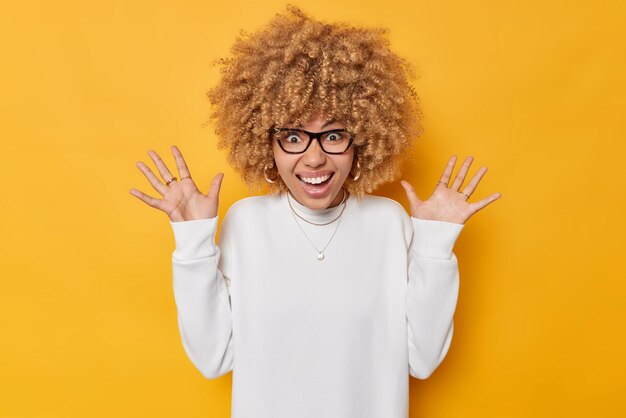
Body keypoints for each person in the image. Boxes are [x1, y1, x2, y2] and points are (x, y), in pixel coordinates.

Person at [129, 5, 501, 418]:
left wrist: (434, 247)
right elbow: (212, 358)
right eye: (293, 136)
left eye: (334, 135)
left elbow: (423, 359)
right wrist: (194, 243)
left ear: (361, 140)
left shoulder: (388, 223)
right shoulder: (246, 223)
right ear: (266, 143)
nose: (314, 158)